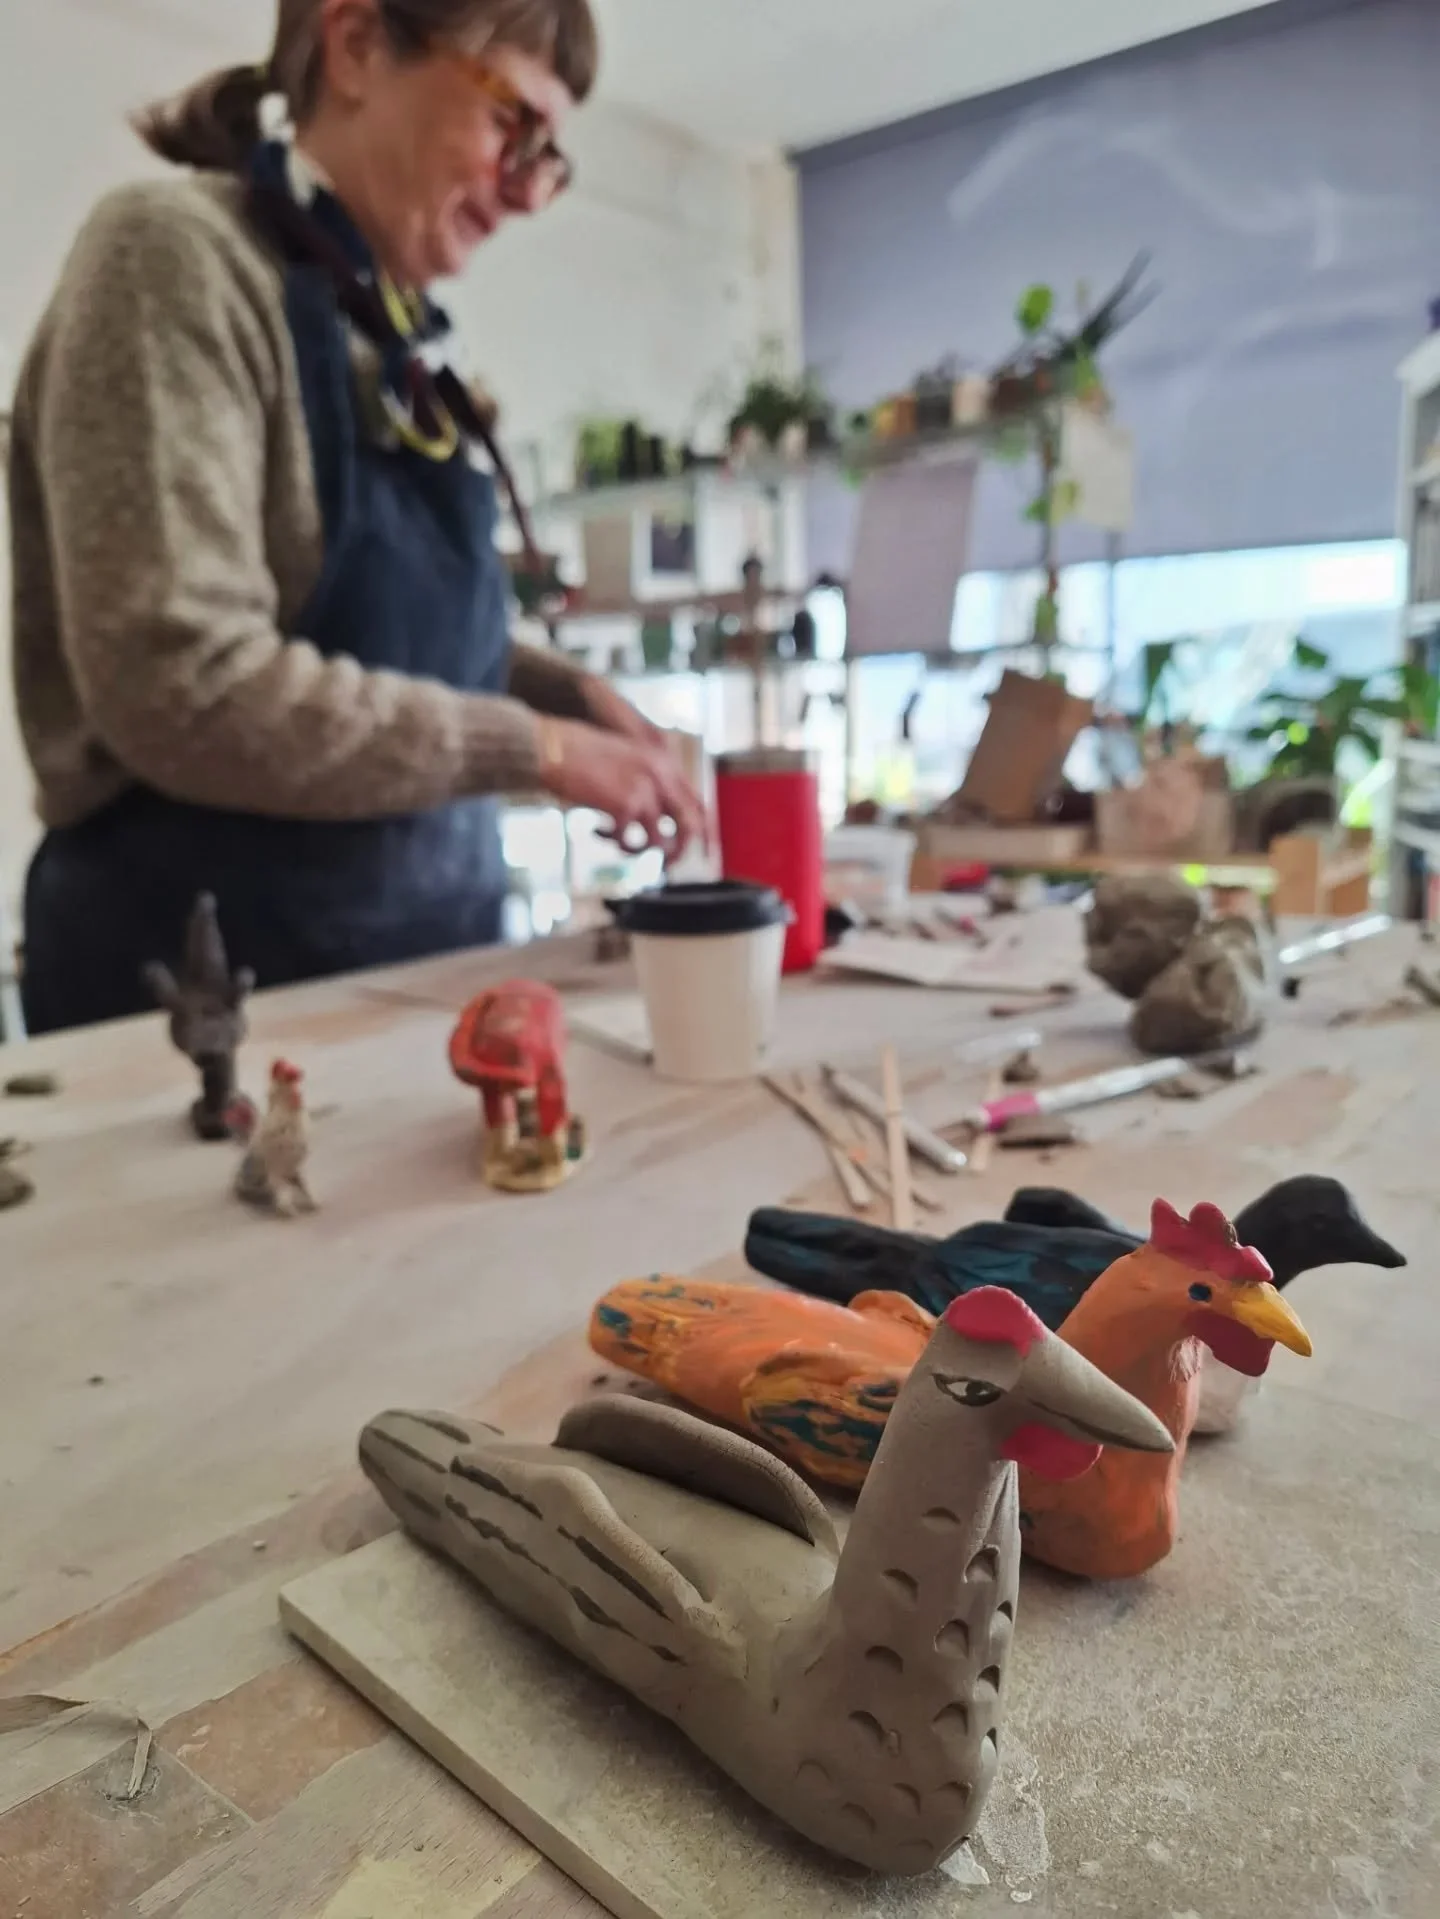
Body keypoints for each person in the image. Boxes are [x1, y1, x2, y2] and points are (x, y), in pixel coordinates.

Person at [7, 0, 704, 1035]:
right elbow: (180, 681)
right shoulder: (171, 262)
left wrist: (567, 694)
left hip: (428, 970)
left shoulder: (396, 338)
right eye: (513, 124)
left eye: (548, 156)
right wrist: (538, 750)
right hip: (201, 1006)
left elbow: (372, 632)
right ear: (357, 43)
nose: (525, 191)